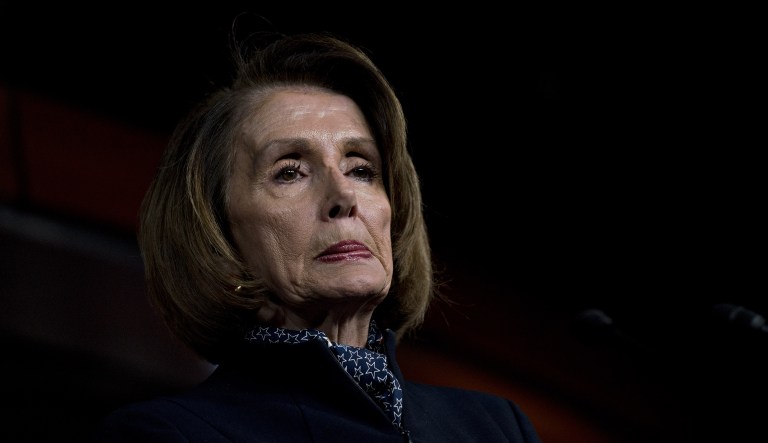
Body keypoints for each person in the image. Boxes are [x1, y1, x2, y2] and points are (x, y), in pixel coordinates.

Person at [95, 29, 542, 443]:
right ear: (218, 231)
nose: (343, 194)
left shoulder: (495, 426)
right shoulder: (167, 434)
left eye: (362, 169)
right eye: (290, 172)